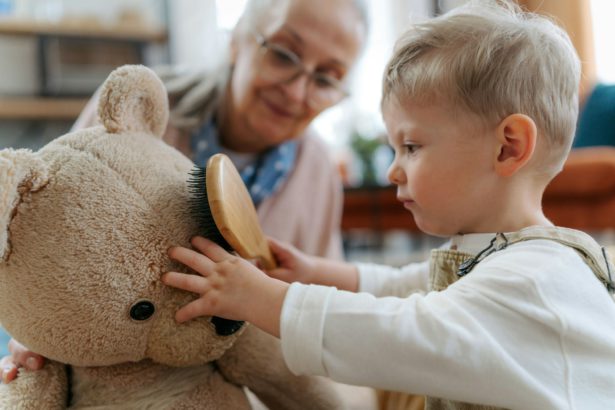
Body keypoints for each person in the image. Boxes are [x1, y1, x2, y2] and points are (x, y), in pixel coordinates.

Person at [155, 1, 615, 408]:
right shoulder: (502, 259)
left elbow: (398, 333)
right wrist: (317, 273)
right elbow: (410, 287)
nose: (394, 170)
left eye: (411, 146)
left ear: (507, 148)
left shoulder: (535, 282)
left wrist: (261, 299)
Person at [0, 0, 369, 385]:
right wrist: (36, 333)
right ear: (238, 41)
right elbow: (40, 240)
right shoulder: (137, 112)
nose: (296, 91)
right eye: (282, 54)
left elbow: (317, 305)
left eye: (326, 79)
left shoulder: (319, 170)